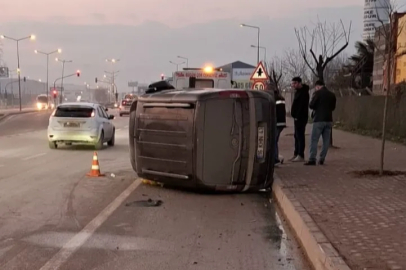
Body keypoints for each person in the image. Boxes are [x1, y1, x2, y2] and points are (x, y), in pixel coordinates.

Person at [304, 80, 337, 166]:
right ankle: (322, 159)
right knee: (326, 141)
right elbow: (333, 107)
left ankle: (312, 159)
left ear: (317, 86)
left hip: (318, 119)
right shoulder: (332, 95)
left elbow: (311, 105)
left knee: (314, 139)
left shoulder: (317, 93)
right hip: (329, 119)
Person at [289, 77, 310, 162]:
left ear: (299, 83)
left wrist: (297, 115)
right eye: (292, 83)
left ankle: (300, 154)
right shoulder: (297, 92)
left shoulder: (304, 93)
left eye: (294, 83)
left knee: (300, 135)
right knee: (296, 135)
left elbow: (302, 106)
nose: (293, 85)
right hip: (296, 118)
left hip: (301, 118)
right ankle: (296, 153)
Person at [274, 89, 286, 165]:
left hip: (277, 123)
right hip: (281, 123)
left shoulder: (273, 100)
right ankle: (276, 157)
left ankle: (275, 159)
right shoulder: (281, 99)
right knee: (275, 141)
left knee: (274, 141)